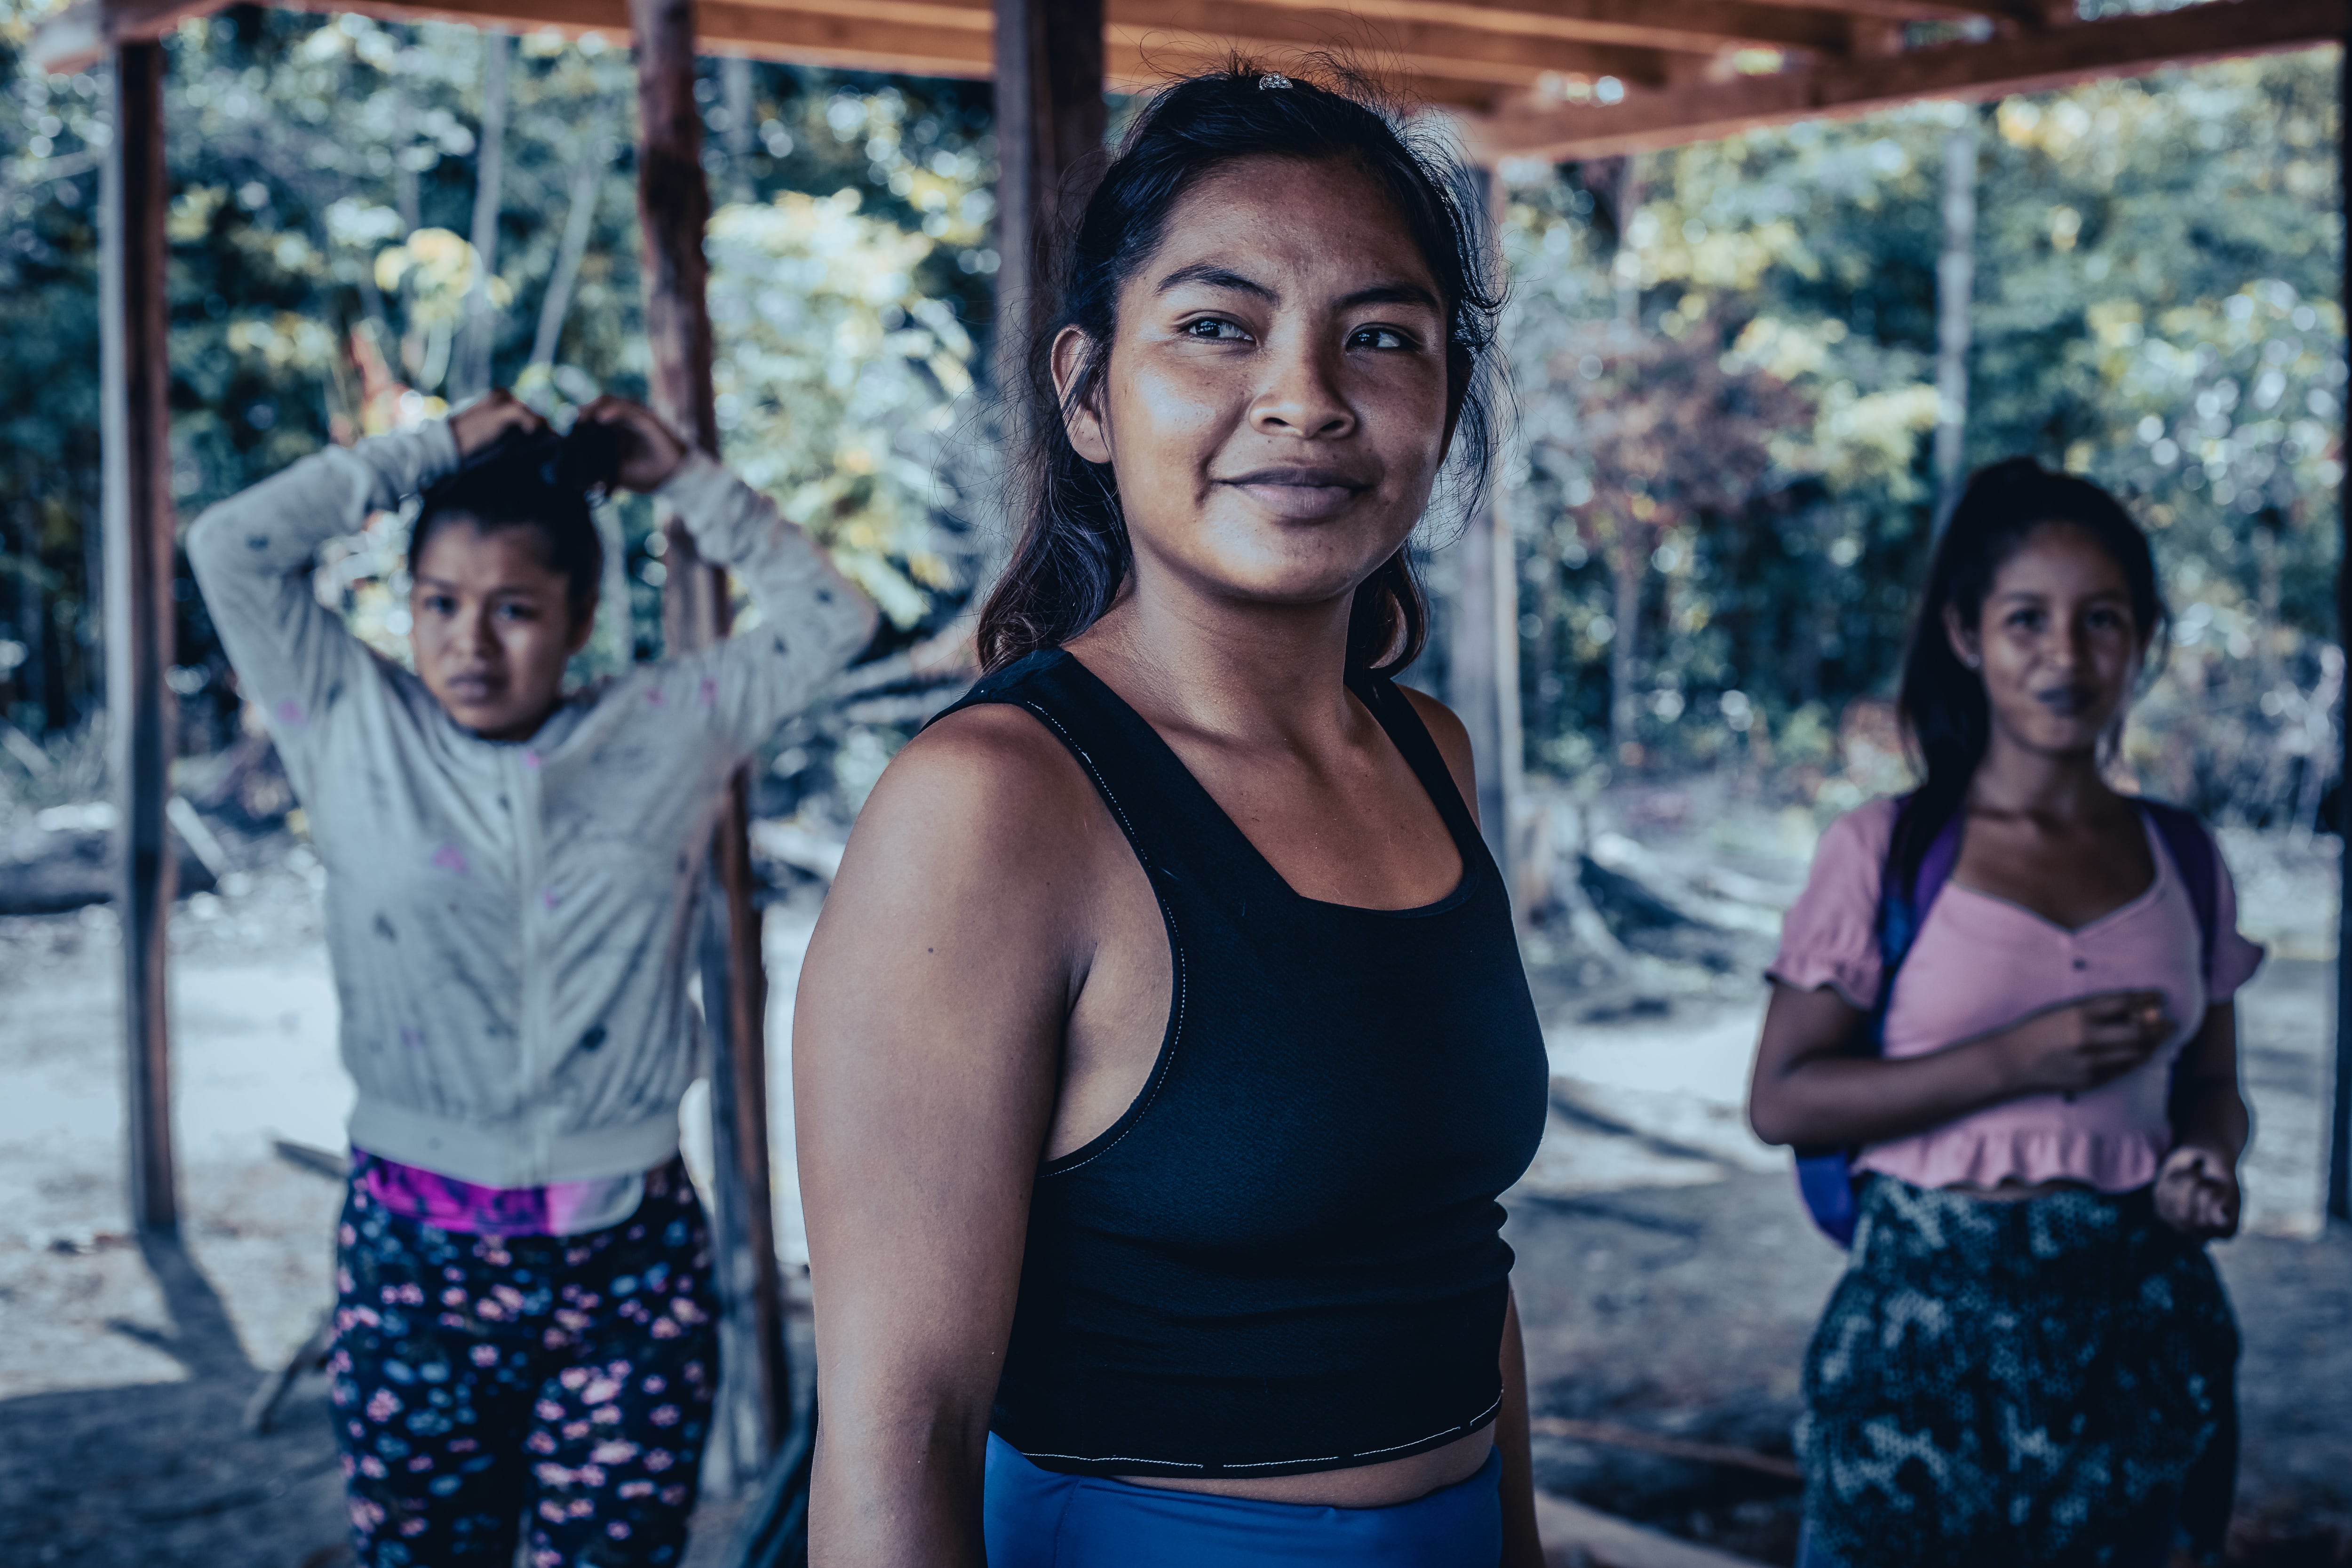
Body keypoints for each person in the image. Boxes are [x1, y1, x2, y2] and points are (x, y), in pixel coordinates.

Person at [792, 64, 1549, 1568]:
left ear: (1445, 397)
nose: (1307, 398)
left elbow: (1463, 1262)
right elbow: (902, 1431)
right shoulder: (994, 809)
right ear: (1086, 392)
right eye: (1217, 325)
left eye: (1381, 337)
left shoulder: (1430, 755)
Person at [187, 391, 876, 1568]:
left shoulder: (669, 728)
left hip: (630, 1263)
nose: (470, 641)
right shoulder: (348, 721)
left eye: (514, 609)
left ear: (580, 618)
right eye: (439, 605)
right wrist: (436, 447)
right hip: (414, 1258)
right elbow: (227, 547)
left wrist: (682, 477)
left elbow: (834, 615)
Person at [1746, 458, 2260, 1568]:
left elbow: (2211, 1085)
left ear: (2142, 640)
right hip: (1921, 1340)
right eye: (2027, 618)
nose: (2065, 656)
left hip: (2142, 1327)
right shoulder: (1882, 852)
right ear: (1968, 637)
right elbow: (1783, 1097)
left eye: (2102, 620)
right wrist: (2019, 1056)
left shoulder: (2185, 859)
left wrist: (2206, 1158)